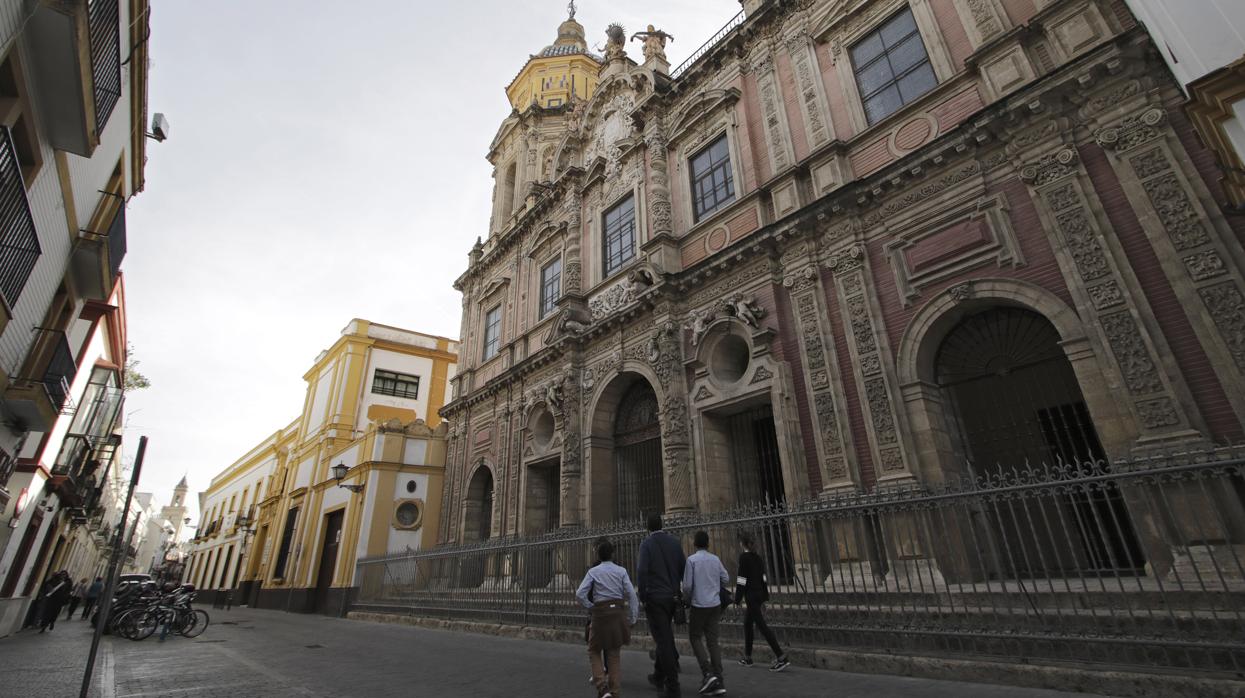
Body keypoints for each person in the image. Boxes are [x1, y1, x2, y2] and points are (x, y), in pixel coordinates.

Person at [576, 538, 639, 698]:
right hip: (617, 612)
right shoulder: (621, 571)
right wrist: (632, 618)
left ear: (598, 554)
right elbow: (632, 595)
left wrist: (592, 607)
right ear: (612, 554)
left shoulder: (593, 571)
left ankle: (602, 687)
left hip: (600, 614)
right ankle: (615, 693)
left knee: (594, 649)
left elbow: (580, 593)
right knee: (614, 655)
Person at [637, 514, 686, 698]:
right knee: (665, 634)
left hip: (655, 598)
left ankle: (673, 686)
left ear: (648, 528)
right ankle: (658, 675)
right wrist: (679, 589)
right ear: (662, 525)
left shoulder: (647, 544)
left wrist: (643, 595)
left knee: (663, 639)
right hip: (672, 597)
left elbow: (642, 571)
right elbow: (683, 568)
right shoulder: (674, 542)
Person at [682, 530, 729, 696]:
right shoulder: (715, 559)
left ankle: (707, 673)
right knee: (712, 641)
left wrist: (686, 599)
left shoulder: (692, 560)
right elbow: (726, 579)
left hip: (699, 605)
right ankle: (718, 677)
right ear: (708, 543)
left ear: (694, 544)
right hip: (715, 604)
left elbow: (687, 586)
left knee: (695, 637)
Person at [735, 532, 790, 672]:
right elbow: (763, 577)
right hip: (759, 594)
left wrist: (737, 598)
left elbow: (741, 579)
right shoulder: (758, 558)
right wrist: (765, 595)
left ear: (743, 544)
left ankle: (781, 656)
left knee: (762, 626)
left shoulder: (744, 558)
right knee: (748, 624)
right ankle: (747, 657)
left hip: (751, 596)